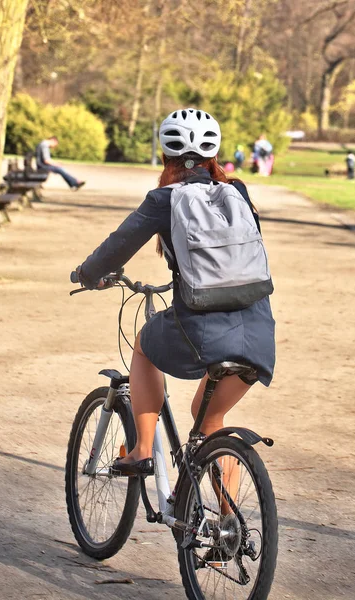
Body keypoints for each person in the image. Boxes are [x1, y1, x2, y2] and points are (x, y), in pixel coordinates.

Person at [74, 109, 275, 476]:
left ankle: (141, 451)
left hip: (202, 327)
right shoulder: (238, 193)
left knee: (144, 345)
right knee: (209, 420)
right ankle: (229, 527)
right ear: (214, 155)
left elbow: (117, 246)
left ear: (165, 156)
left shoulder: (164, 199)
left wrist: (87, 274)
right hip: (258, 331)